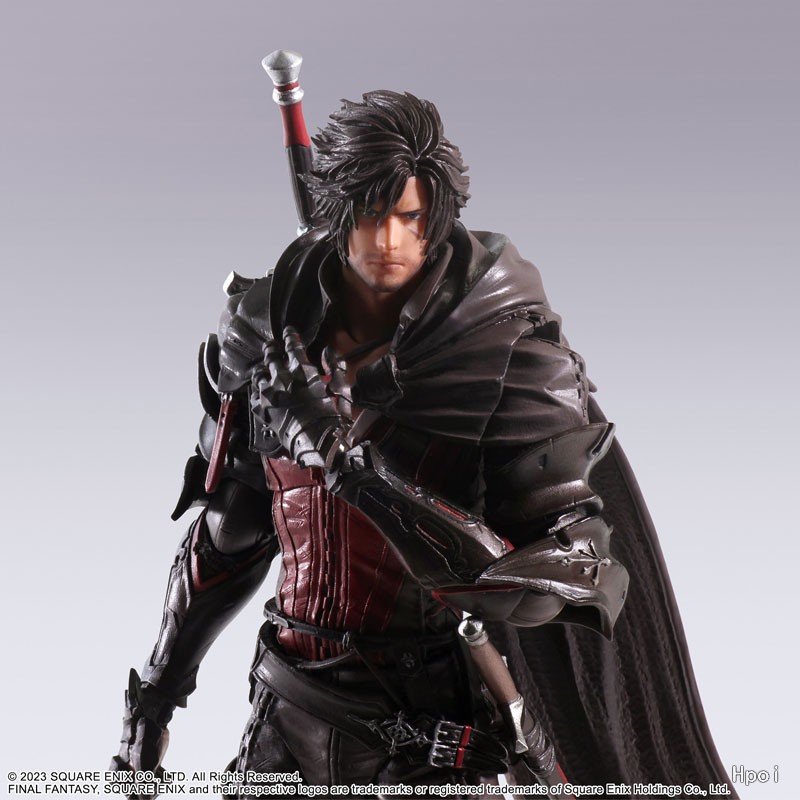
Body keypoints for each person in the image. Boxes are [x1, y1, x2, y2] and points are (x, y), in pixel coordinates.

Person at [112, 90, 735, 796]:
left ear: (437, 217)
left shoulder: (505, 357)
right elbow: (231, 533)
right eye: (370, 215)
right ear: (336, 212)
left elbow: (541, 584)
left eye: (409, 217)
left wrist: (343, 463)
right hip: (286, 713)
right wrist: (153, 700)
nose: (388, 241)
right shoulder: (268, 337)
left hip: (430, 732)